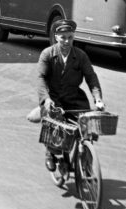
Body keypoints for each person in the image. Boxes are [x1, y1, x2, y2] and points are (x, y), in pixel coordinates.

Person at [37, 19, 104, 171]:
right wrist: (46, 100)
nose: (67, 41)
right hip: (54, 100)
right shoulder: (47, 54)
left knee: (87, 129)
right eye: (63, 37)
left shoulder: (81, 56)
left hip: (75, 99)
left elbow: (91, 77)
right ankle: (50, 153)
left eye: (70, 37)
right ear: (56, 37)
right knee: (53, 128)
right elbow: (40, 78)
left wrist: (98, 98)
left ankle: (86, 159)